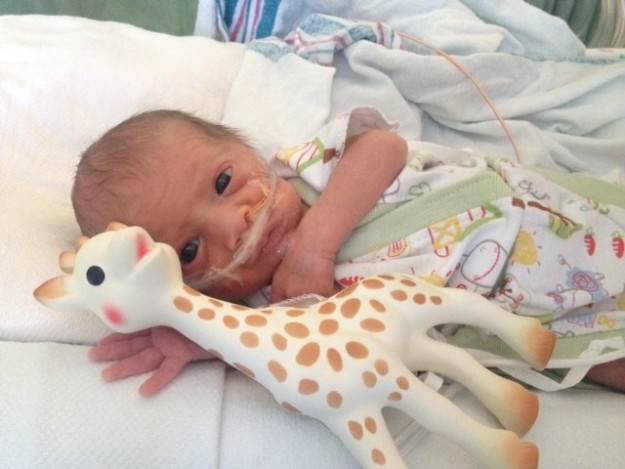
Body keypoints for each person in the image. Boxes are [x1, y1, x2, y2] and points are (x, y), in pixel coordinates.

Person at [73, 108, 625, 396]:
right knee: (594, 363)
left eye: (223, 182)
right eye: (191, 250)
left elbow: (384, 146)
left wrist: (317, 241)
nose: (232, 226)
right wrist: (203, 340)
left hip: (541, 219)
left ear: (249, 151)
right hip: (528, 315)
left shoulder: (310, 172)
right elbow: (280, 350)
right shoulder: (269, 307)